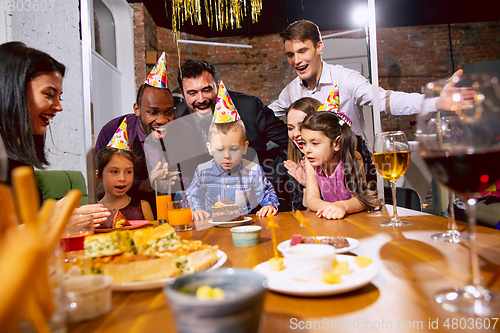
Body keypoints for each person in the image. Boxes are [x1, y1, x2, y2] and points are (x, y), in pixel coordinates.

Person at [269, 20, 464, 188]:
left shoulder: (346, 79)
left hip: (356, 170)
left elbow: (386, 100)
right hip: (316, 177)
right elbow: (264, 116)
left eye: (302, 51)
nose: (297, 60)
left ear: (319, 47)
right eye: (290, 54)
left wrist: (436, 101)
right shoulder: (290, 91)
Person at [0, 41, 109, 224]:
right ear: (14, 91)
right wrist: (49, 221)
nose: (59, 107)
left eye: (60, 96)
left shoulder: (19, 159)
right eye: (49, 95)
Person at [174, 59, 291, 208]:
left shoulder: (250, 108)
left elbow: (289, 141)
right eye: (192, 93)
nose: (201, 99)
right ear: (182, 93)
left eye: (206, 90)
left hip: (257, 199)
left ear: (217, 85)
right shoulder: (179, 116)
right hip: (211, 205)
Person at [95, 53, 182, 214]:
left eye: (168, 112)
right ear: (137, 110)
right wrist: (143, 185)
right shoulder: (112, 131)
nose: (162, 120)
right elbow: (100, 186)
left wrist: (171, 183)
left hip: (173, 214)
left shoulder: (182, 133)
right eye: (153, 112)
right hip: (129, 215)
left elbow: (194, 181)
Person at [186, 98, 278, 220]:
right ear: (210, 148)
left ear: (244, 148)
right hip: (213, 229)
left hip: (244, 227)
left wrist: (269, 205)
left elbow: (267, 193)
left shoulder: (253, 171)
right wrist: (197, 209)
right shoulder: (202, 171)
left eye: (234, 149)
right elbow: (193, 196)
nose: (226, 156)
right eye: (220, 150)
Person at [301, 111, 380, 219]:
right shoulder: (310, 163)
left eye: (315, 143)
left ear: (336, 143)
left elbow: (361, 200)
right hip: (324, 219)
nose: (307, 150)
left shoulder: (354, 159)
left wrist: (341, 206)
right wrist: (329, 208)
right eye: (304, 143)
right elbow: (312, 199)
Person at [96, 147, 154, 221]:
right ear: (99, 176)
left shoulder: (143, 207)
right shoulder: (94, 212)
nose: (122, 178)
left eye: (128, 172)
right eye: (114, 172)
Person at [283, 97, 321, 211]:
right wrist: (306, 185)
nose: (295, 134)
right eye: (290, 128)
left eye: (301, 126)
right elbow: (304, 210)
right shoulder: (297, 162)